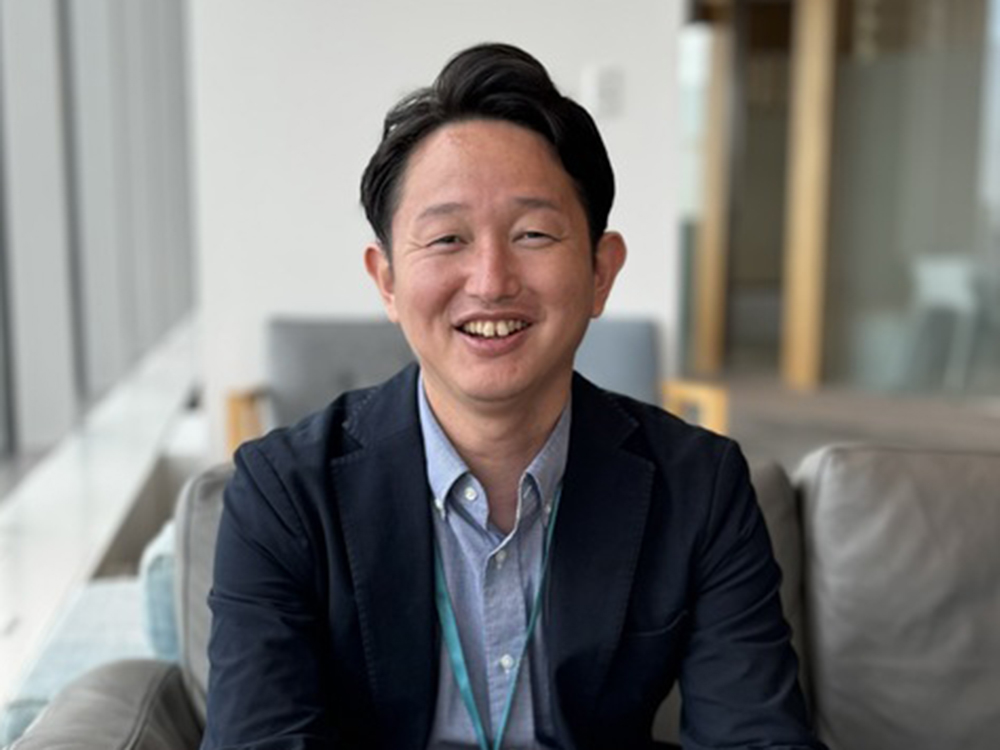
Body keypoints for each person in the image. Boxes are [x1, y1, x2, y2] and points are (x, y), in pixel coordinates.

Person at [202, 43, 825, 750]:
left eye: (533, 233)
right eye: (447, 238)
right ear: (387, 282)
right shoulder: (281, 493)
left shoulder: (698, 486)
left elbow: (758, 738)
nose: (492, 279)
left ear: (599, 271)